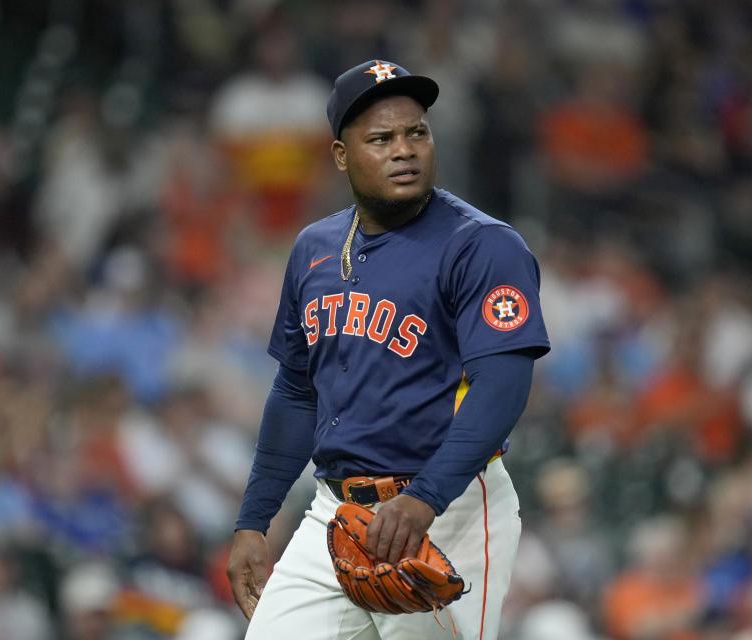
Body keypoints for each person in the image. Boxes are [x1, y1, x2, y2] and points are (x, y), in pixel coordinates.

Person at [227, 59, 551, 639]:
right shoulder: (314, 248)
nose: (405, 150)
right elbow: (297, 391)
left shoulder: (481, 245)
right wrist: (254, 520)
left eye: (416, 133)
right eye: (381, 138)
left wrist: (426, 498)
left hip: (447, 510)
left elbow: (502, 385)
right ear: (341, 155)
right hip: (336, 512)